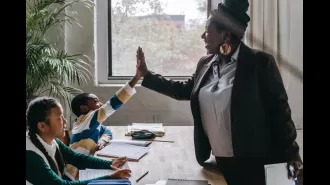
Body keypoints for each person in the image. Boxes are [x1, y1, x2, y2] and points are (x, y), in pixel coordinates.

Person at [135, 0, 303, 185]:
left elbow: (280, 113)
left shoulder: (260, 63)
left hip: (255, 166)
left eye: (207, 31)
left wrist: (292, 154)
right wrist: (147, 76)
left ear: (226, 34)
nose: (202, 36)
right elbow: (183, 90)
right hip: (219, 163)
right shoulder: (205, 64)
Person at [65, 48, 142, 179]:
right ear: (84, 108)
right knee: (123, 174)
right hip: (75, 174)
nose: (100, 104)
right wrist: (136, 78)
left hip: (84, 166)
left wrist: (102, 140)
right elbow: (113, 103)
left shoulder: (89, 122)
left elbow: (107, 131)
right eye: (95, 101)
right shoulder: (88, 119)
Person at [26, 97, 131, 185]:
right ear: (42, 126)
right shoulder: (30, 156)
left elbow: (76, 158)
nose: (65, 121)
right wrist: (109, 178)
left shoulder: (50, 139)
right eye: (59, 118)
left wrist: (109, 164)